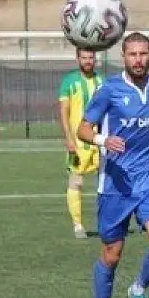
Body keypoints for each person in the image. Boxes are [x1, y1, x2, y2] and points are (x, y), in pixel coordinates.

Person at [77, 32, 149, 298]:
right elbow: (82, 128)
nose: (138, 60)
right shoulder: (109, 90)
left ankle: (138, 289)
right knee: (112, 254)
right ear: (123, 57)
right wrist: (102, 141)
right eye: (132, 54)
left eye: (143, 54)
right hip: (116, 184)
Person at [58, 47, 104, 239]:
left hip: (100, 141)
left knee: (107, 182)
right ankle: (77, 224)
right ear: (77, 59)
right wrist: (68, 138)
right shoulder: (69, 81)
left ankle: (108, 222)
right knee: (76, 182)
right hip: (78, 142)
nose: (88, 61)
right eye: (84, 57)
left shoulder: (102, 81)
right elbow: (64, 112)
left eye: (91, 57)